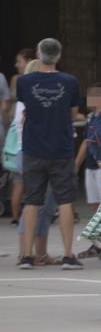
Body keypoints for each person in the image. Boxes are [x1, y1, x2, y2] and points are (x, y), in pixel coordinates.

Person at [16, 39, 84, 271]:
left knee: (31, 202)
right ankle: (67, 255)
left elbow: (27, 107)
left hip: (33, 148)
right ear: (59, 56)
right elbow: (73, 114)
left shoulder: (24, 82)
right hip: (61, 148)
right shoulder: (69, 81)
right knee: (65, 201)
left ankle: (26, 256)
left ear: (38, 54)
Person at [14, 59, 59, 267]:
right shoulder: (31, 100)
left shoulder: (27, 99)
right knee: (37, 205)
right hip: (36, 153)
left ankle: (37, 252)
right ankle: (29, 252)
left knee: (44, 205)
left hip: (30, 153)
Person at [76, 83, 101, 261]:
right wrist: (76, 164)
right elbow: (86, 142)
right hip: (90, 166)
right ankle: (98, 242)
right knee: (95, 205)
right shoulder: (91, 117)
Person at [8, 48, 36, 226]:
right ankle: (26, 219)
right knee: (31, 188)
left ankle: (15, 217)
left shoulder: (20, 87)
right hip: (28, 147)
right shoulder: (24, 87)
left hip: (17, 137)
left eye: (19, 61)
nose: (17, 65)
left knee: (18, 182)